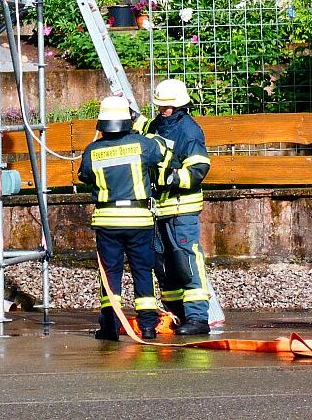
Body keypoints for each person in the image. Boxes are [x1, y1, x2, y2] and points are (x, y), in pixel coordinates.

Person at [78, 96, 171, 341]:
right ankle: (148, 327)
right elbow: (164, 156)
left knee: (110, 275)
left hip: (107, 221)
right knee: (143, 271)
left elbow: (85, 176)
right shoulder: (143, 145)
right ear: (127, 120)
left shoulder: (93, 150)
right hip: (139, 220)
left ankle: (110, 327)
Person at [135, 78, 212, 336]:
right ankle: (175, 314)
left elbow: (199, 168)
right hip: (158, 208)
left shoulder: (189, 131)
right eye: (159, 106)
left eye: (166, 107)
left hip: (181, 208)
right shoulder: (156, 124)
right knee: (162, 263)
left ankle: (198, 318)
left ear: (179, 106)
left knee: (186, 259)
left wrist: (172, 178)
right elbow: (144, 135)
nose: (162, 110)